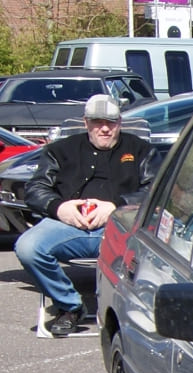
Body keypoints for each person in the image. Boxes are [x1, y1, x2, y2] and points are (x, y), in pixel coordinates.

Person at [19, 95, 155, 336]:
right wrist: (59, 207)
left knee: (159, 252)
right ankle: (69, 306)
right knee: (28, 247)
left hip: (122, 227)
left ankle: (137, 313)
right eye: (97, 122)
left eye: (111, 122)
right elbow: (35, 189)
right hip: (69, 226)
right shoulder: (60, 150)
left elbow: (156, 190)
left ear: (120, 122)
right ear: (86, 123)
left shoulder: (141, 150)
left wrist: (116, 206)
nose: (104, 128)